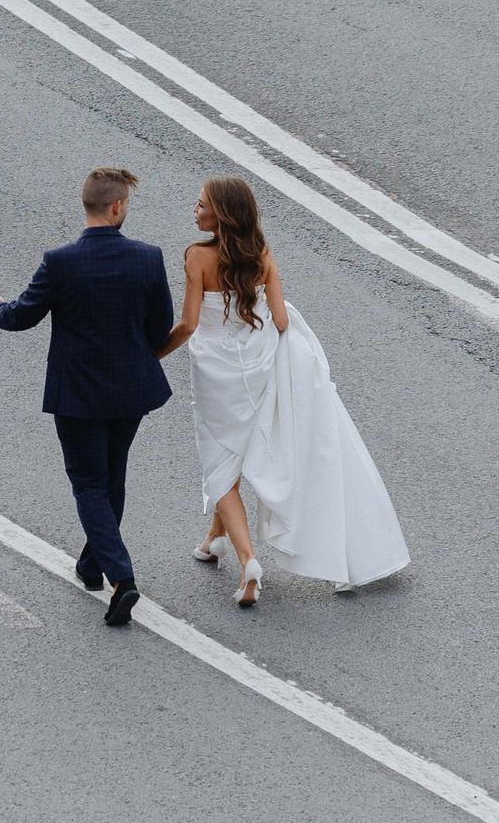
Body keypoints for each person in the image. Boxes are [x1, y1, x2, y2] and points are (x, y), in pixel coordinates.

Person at [156, 176, 409, 607]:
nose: (194, 211)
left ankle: (249, 563)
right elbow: (280, 321)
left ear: (221, 214)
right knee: (235, 451)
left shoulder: (196, 257)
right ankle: (212, 540)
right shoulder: (263, 256)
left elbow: (189, 325)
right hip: (255, 372)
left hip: (216, 374)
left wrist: (152, 354)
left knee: (221, 466)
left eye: (200, 205)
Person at [0, 167, 176, 627]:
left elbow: (21, 317)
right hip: (130, 391)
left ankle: (120, 576)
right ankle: (92, 565)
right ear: (117, 207)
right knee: (112, 477)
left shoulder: (60, 262)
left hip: (78, 395)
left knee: (89, 482)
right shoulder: (149, 258)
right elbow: (159, 328)